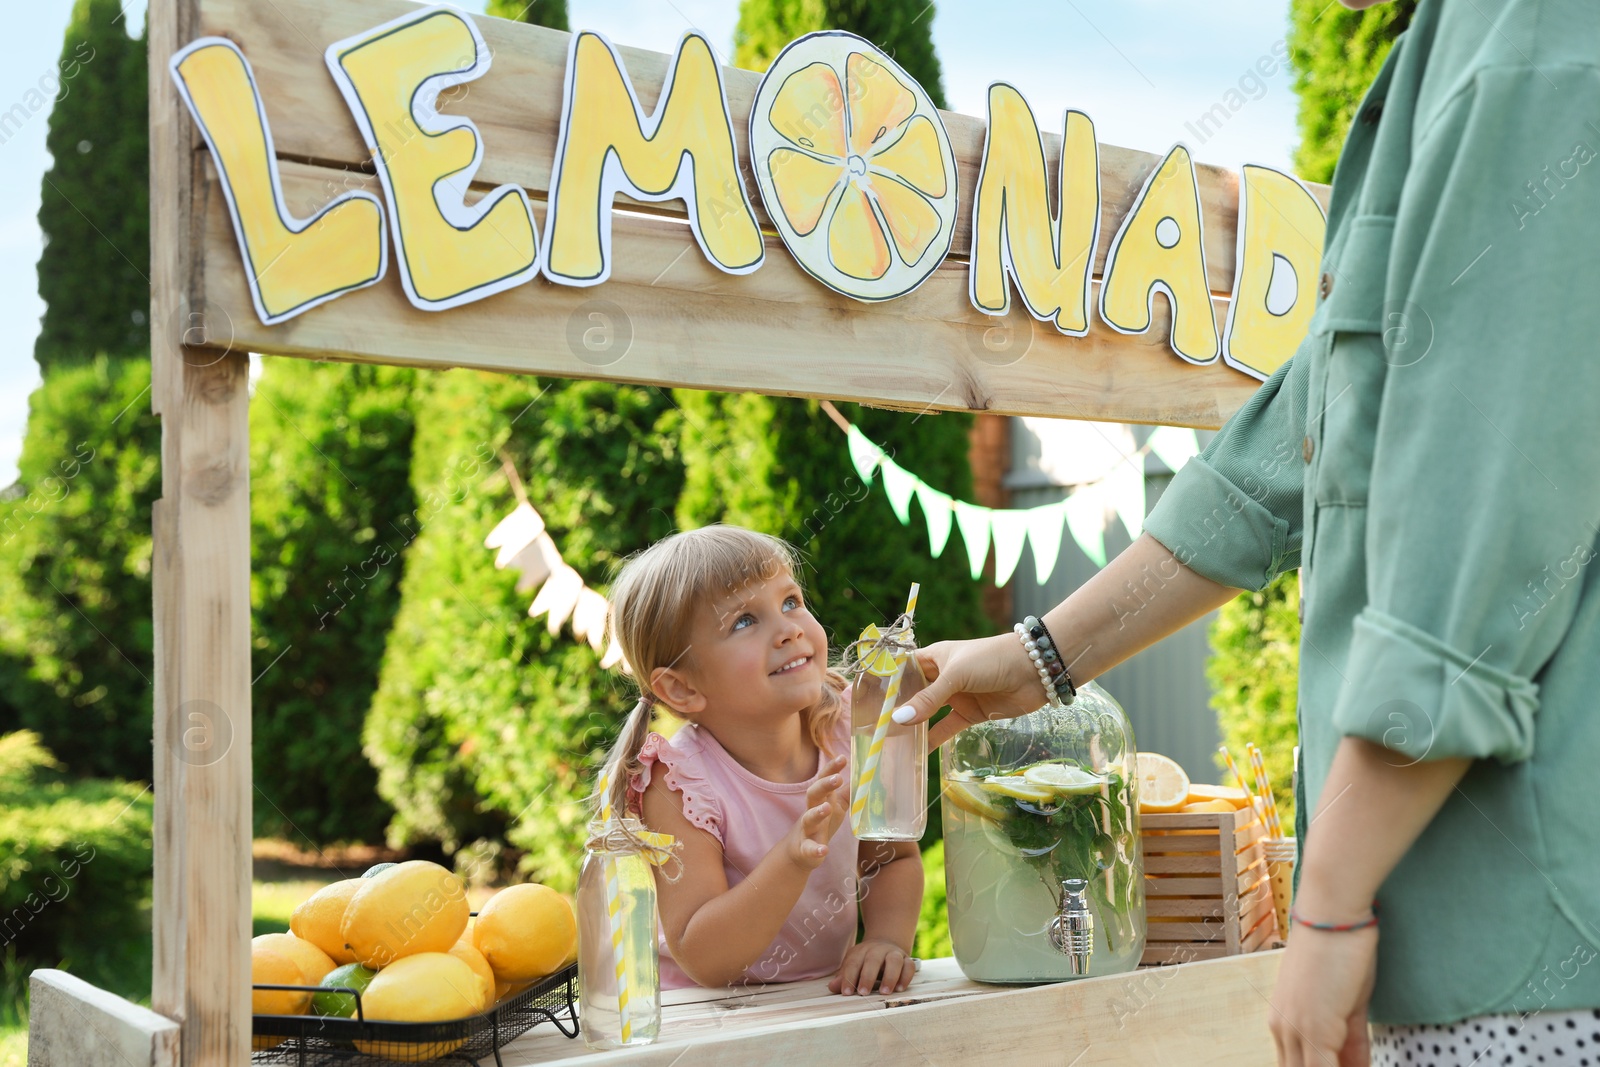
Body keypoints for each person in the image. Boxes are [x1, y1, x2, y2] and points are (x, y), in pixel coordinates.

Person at [892, 1, 1600, 1063]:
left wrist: (1325, 906)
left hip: (1536, 946)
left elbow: (1479, 540)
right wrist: (1034, 659)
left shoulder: (1541, 37)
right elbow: (1284, 456)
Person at [591, 524, 923, 997]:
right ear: (682, 687)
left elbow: (890, 859)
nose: (789, 629)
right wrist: (793, 855)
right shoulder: (679, 783)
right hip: (708, 1023)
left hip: (822, 1001)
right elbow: (704, 957)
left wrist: (887, 940)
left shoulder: (850, 731)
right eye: (744, 621)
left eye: (790, 601)